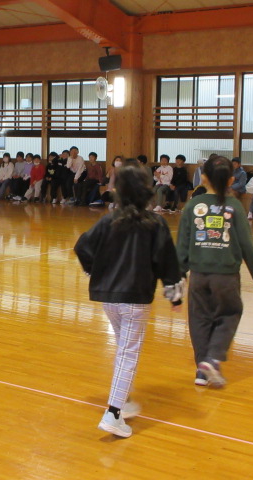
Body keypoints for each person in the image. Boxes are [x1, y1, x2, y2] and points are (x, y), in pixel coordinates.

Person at [74, 162, 184, 438]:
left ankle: (123, 399)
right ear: (146, 190)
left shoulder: (109, 220)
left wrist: (95, 270)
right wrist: (174, 294)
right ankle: (113, 413)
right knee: (128, 352)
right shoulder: (155, 223)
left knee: (124, 349)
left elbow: (82, 246)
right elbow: (167, 262)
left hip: (109, 299)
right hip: (135, 299)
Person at [177, 156, 253, 388]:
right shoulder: (234, 206)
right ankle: (213, 358)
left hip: (198, 276)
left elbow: (182, 244)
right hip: (226, 277)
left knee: (199, 319)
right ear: (230, 180)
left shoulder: (192, 205)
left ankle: (202, 370)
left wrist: (177, 275)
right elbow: (247, 245)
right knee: (229, 314)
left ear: (203, 177)